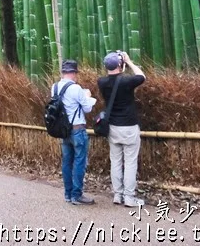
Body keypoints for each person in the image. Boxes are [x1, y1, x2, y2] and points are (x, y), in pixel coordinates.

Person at [97, 51, 146, 207]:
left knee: (116, 162)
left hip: (112, 127)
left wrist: (122, 63)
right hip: (129, 127)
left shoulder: (101, 82)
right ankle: (129, 198)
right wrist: (130, 62)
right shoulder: (126, 82)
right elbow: (141, 76)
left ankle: (118, 195)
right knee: (130, 163)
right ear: (120, 65)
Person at [53, 59, 97, 205]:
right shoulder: (76, 88)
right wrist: (88, 97)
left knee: (67, 162)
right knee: (79, 161)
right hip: (77, 129)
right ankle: (76, 194)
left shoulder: (54, 87)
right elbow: (87, 109)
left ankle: (68, 193)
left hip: (64, 131)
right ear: (73, 73)